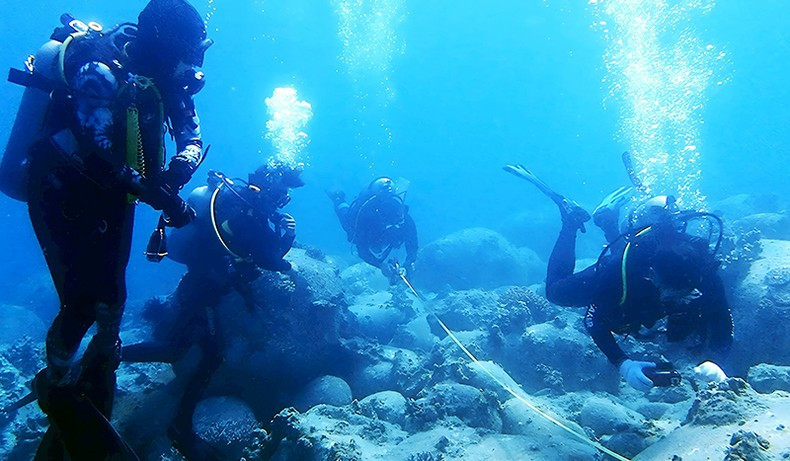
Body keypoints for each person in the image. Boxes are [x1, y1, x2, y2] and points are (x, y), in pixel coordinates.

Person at [0, 1, 212, 457]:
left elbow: (192, 136)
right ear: (164, 43)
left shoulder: (168, 79)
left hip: (118, 192)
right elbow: (97, 155)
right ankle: (55, 381)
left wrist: (174, 174)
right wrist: (158, 195)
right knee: (79, 302)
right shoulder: (99, 69)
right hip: (59, 190)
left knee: (113, 296)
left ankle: (101, 363)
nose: (194, 63)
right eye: (190, 50)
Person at [123, 162, 303, 459]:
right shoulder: (249, 211)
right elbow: (268, 258)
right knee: (190, 351)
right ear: (270, 186)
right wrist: (288, 237)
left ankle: (176, 421)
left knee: (194, 350)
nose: (284, 198)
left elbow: (245, 252)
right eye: (283, 191)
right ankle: (113, 358)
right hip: (203, 288)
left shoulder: (240, 201)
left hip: (202, 279)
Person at [544, 193, 733, 391]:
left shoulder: (702, 271)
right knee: (555, 292)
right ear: (652, 275)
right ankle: (571, 221)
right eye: (669, 292)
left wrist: (716, 362)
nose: (675, 300)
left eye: (683, 293)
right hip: (623, 269)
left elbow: (722, 318)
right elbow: (593, 319)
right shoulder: (620, 272)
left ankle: (608, 221)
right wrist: (623, 363)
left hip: (649, 270)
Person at [327, 177, 418, 283]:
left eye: (401, 215)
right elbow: (362, 251)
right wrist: (381, 266)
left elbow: (412, 243)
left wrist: (407, 264)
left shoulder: (404, 218)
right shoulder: (367, 219)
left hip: (379, 235)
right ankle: (338, 198)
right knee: (345, 219)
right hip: (358, 225)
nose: (399, 221)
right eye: (395, 219)